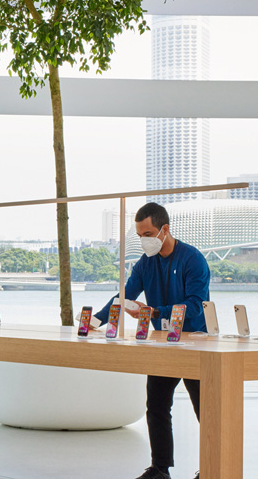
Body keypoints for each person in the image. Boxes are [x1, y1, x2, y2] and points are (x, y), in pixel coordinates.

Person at [92, 202, 208, 479]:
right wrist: (95, 321)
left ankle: (212, 467)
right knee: (156, 406)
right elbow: (125, 296)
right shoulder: (145, 264)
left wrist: (155, 312)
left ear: (164, 229)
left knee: (205, 409)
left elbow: (195, 304)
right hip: (162, 343)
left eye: (148, 234)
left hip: (196, 343)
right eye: (140, 235)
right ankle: (160, 469)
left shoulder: (192, 259)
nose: (144, 240)